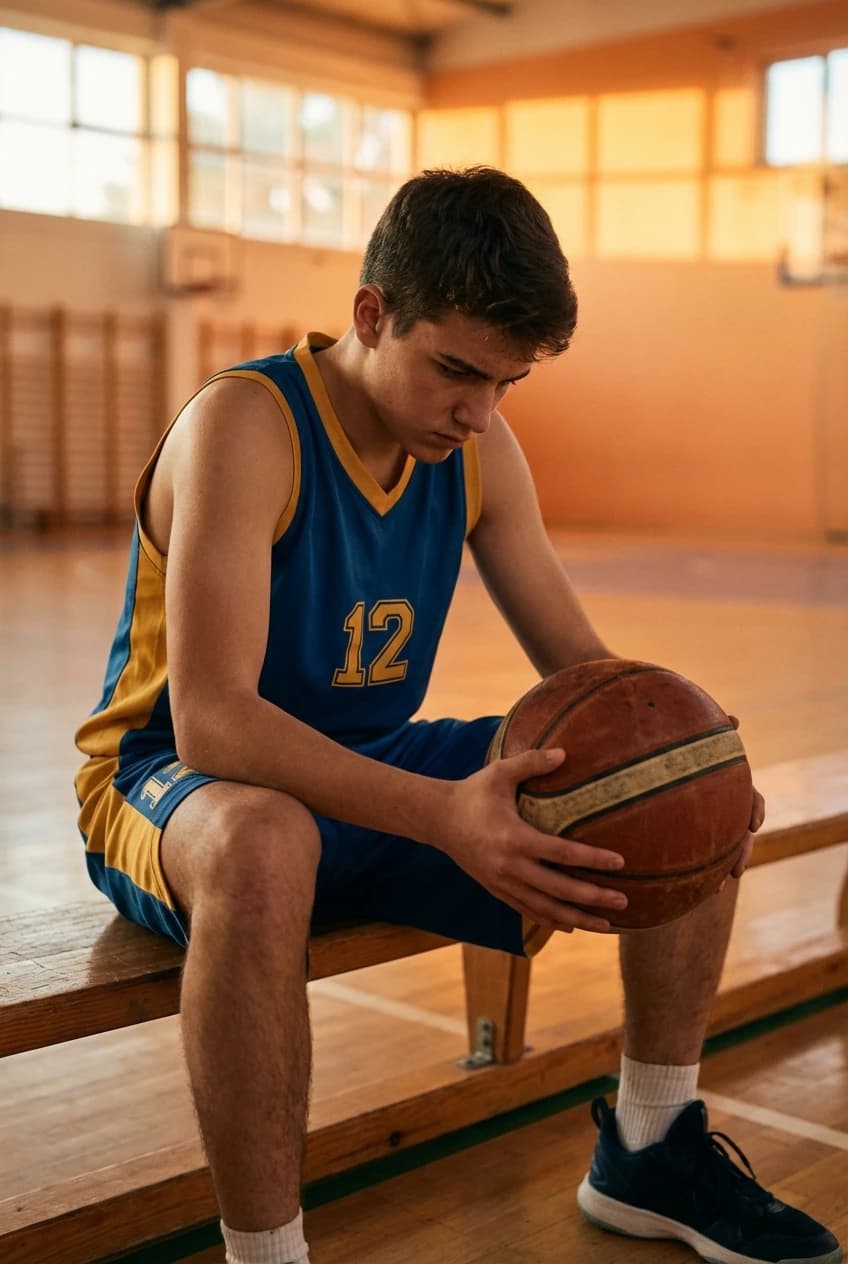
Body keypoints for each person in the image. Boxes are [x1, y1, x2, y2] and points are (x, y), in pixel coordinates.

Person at [74, 167, 842, 1264]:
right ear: (370, 314)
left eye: (505, 383)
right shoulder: (246, 426)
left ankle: (649, 1140)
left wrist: (694, 761)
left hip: (367, 767)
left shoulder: (476, 445)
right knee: (261, 837)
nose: (478, 411)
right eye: (454, 373)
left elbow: (583, 665)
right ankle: (266, 1254)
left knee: (668, 762)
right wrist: (442, 814)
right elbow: (212, 723)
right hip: (168, 787)